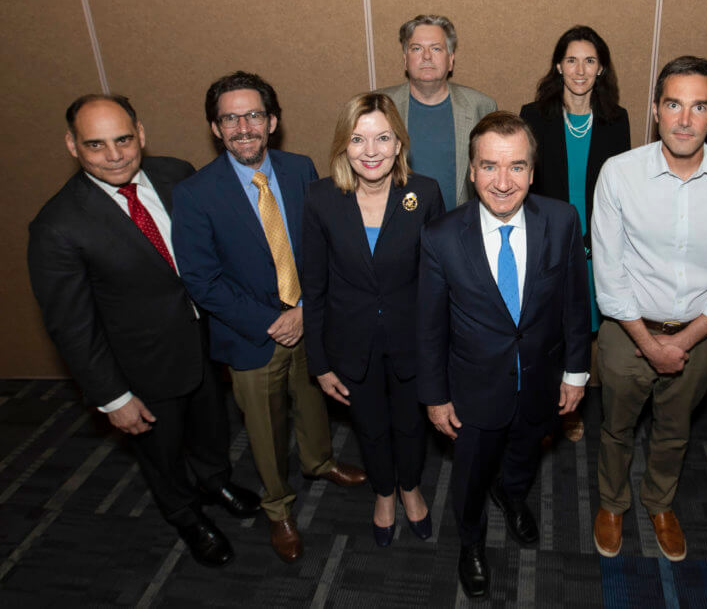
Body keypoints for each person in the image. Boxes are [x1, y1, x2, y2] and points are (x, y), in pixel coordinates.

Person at [27, 94, 260, 568]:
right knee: (161, 450)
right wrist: (113, 397)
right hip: (141, 367)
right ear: (72, 146)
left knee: (211, 424)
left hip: (202, 341)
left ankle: (214, 480)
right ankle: (185, 514)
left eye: (123, 139)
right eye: (95, 145)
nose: (114, 155)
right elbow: (72, 325)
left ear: (141, 135)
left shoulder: (178, 174)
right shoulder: (57, 226)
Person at [171, 71, 366, 564]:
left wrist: (305, 310)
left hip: (309, 319)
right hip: (251, 337)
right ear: (216, 128)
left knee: (315, 400)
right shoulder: (195, 193)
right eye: (230, 118)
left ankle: (319, 462)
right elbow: (202, 279)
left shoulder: (301, 169)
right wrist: (271, 320)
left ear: (272, 121)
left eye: (253, 115)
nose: (243, 127)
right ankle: (277, 508)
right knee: (264, 428)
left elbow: (324, 246)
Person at [590, 57, 707, 562]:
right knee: (617, 425)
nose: (684, 119)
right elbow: (610, 274)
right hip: (627, 329)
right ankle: (611, 502)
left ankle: (660, 502)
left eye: (699, 106)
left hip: (702, 333)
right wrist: (648, 343)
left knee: (675, 428)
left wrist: (681, 344)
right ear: (655, 111)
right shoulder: (619, 174)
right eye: (673, 105)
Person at [417, 112, 590, 598]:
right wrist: (434, 396)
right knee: (470, 475)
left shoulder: (561, 220)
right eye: (489, 166)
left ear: (533, 172)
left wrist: (576, 373)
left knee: (524, 454)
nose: (502, 180)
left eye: (516, 167)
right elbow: (429, 328)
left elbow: (576, 302)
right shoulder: (441, 236)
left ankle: (512, 496)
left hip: (541, 378)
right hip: (472, 389)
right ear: (471, 171)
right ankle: (470, 541)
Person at [302, 93, 444, 547]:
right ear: (344, 145)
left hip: (411, 342)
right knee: (371, 426)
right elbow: (315, 286)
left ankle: (410, 487)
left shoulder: (424, 193)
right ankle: (384, 492)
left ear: (399, 143)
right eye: (359, 139)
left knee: (409, 424)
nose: (371, 151)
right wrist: (318, 362)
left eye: (383, 138)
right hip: (350, 342)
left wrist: (441, 350)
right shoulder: (321, 197)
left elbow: (440, 282)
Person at [520, 25, 631, 442]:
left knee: (584, 328)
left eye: (589, 60)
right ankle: (548, 407)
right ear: (558, 66)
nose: (580, 69)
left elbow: (622, 189)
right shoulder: (534, 115)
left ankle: (572, 407)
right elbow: (524, 183)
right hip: (548, 240)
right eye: (571, 60)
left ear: (601, 68)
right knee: (548, 327)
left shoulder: (616, 120)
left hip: (599, 244)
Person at [376, 14, 496, 210]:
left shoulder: (481, 107)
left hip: (460, 228)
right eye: (417, 48)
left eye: (436, 48)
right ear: (405, 60)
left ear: (450, 60)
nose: (426, 56)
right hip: (397, 226)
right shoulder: (380, 106)